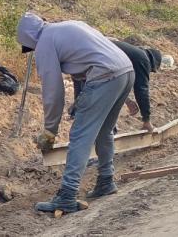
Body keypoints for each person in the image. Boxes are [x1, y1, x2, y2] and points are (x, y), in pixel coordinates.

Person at [16, 12, 135, 214]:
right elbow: (85, 64)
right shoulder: (67, 27)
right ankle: (106, 180)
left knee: (80, 136)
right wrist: (82, 100)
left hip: (105, 75)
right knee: (104, 130)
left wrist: (50, 131)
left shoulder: (45, 42)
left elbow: (53, 92)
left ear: (29, 38)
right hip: (125, 71)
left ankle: (67, 196)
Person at [71, 40, 163, 133]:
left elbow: (113, 79)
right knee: (105, 116)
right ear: (152, 63)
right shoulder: (142, 59)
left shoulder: (130, 53)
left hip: (82, 57)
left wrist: (126, 100)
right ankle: (106, 133)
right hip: (98, 64)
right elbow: (141, 89)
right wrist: (146, 120)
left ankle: (81, 119)